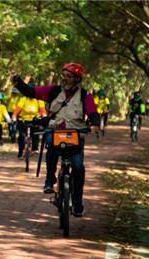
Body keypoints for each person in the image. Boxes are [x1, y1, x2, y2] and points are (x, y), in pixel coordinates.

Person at [12, 63, 100, 217]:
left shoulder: (85, 96)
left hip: (76, 133)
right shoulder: (53, 91)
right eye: (64, 76)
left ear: (77, 79)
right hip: (55, 130)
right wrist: (18, 82)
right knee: (51, 144)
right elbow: (31, 92)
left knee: (78, 167)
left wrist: (95, 124)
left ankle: (78, 203)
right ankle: (49, 180)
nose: (65, 79)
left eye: (69, 76)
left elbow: (92, 112)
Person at [11, 89, 46, 158]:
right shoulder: (23, 99)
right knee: (21, 136)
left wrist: (44, 118)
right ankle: (21, 151)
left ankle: (35, 148)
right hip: (23, 119)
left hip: (35, 120)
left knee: (35, 134)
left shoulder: (39, 100)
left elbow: (43, 111)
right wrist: (14, 116)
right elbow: (17, 110)